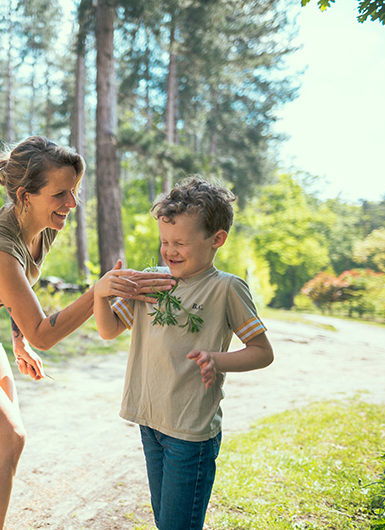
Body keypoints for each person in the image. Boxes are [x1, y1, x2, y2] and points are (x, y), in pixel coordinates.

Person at [0, 135, 175, 530]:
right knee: (9, 437)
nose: (72, 204)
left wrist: (18, 339)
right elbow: (45, 334)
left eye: (75, 191)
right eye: (61, 194)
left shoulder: (43, 226)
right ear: (25, 195)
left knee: (4, 433)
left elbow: (18, 294)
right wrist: (96, 291)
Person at [93, 176, 274, 530]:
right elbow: (109, 329)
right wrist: (101, 293)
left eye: (180, 242)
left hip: (191, 432)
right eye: (164, 241)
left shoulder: (226, 289)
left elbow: (262, 352)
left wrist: (217, 359)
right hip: (151, 422)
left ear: (217, 239)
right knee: (167, 522)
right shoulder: (152, 281)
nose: (169, 251)